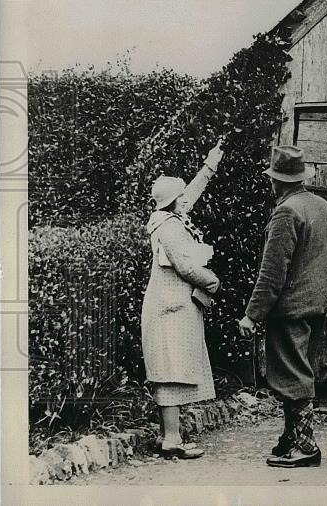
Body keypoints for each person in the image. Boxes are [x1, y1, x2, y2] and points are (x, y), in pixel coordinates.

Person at [238, 145, 327, 468]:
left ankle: (307, 446)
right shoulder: (321, 205)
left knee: (292, 375)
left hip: (292, 306)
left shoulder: (286, 211)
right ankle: (291, 438)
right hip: (318, 302)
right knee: (301, 370)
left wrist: (253, 314)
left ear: (276, 181)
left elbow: (272, 270)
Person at [141, 139, 225, 459]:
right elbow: (187, 267)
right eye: (179, 198)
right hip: (170, 310)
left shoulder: (167, 218)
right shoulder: (171, 230)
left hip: (169, 307)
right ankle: (172, 440)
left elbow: (190, 194)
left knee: (172, 370)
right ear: (172, 203)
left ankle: (170, 438)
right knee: (171, 371)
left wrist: (210, 164)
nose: (183, 201)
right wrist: (214, 282)